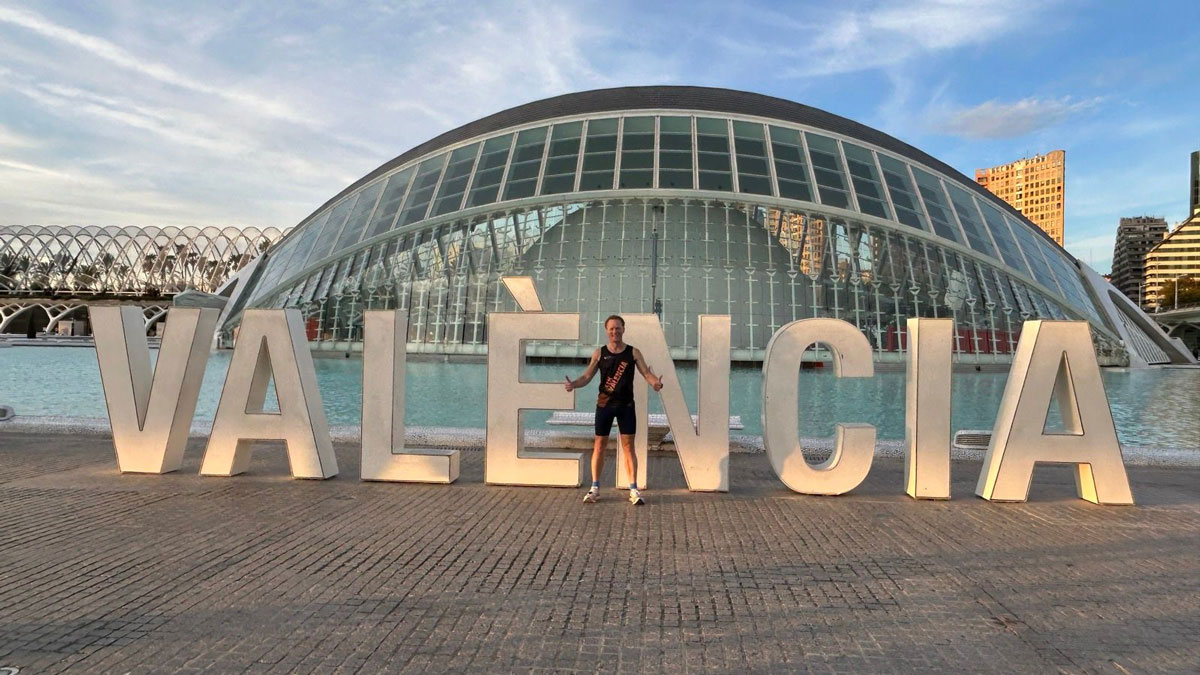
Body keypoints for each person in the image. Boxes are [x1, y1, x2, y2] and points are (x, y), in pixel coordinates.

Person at [565, 314, 663, 505]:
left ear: (623, 329)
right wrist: (574, 385)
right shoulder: (599, 353)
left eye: (618, 328)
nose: (615, 331)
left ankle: (633, 489)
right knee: (599, 446)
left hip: (626, 406)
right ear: (606, 331)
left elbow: (646, 373)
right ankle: (595, 488)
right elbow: (587, 377)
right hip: (604, 406)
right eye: (611, 328)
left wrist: (656, 384)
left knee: (628, 447)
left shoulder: (633, 352)